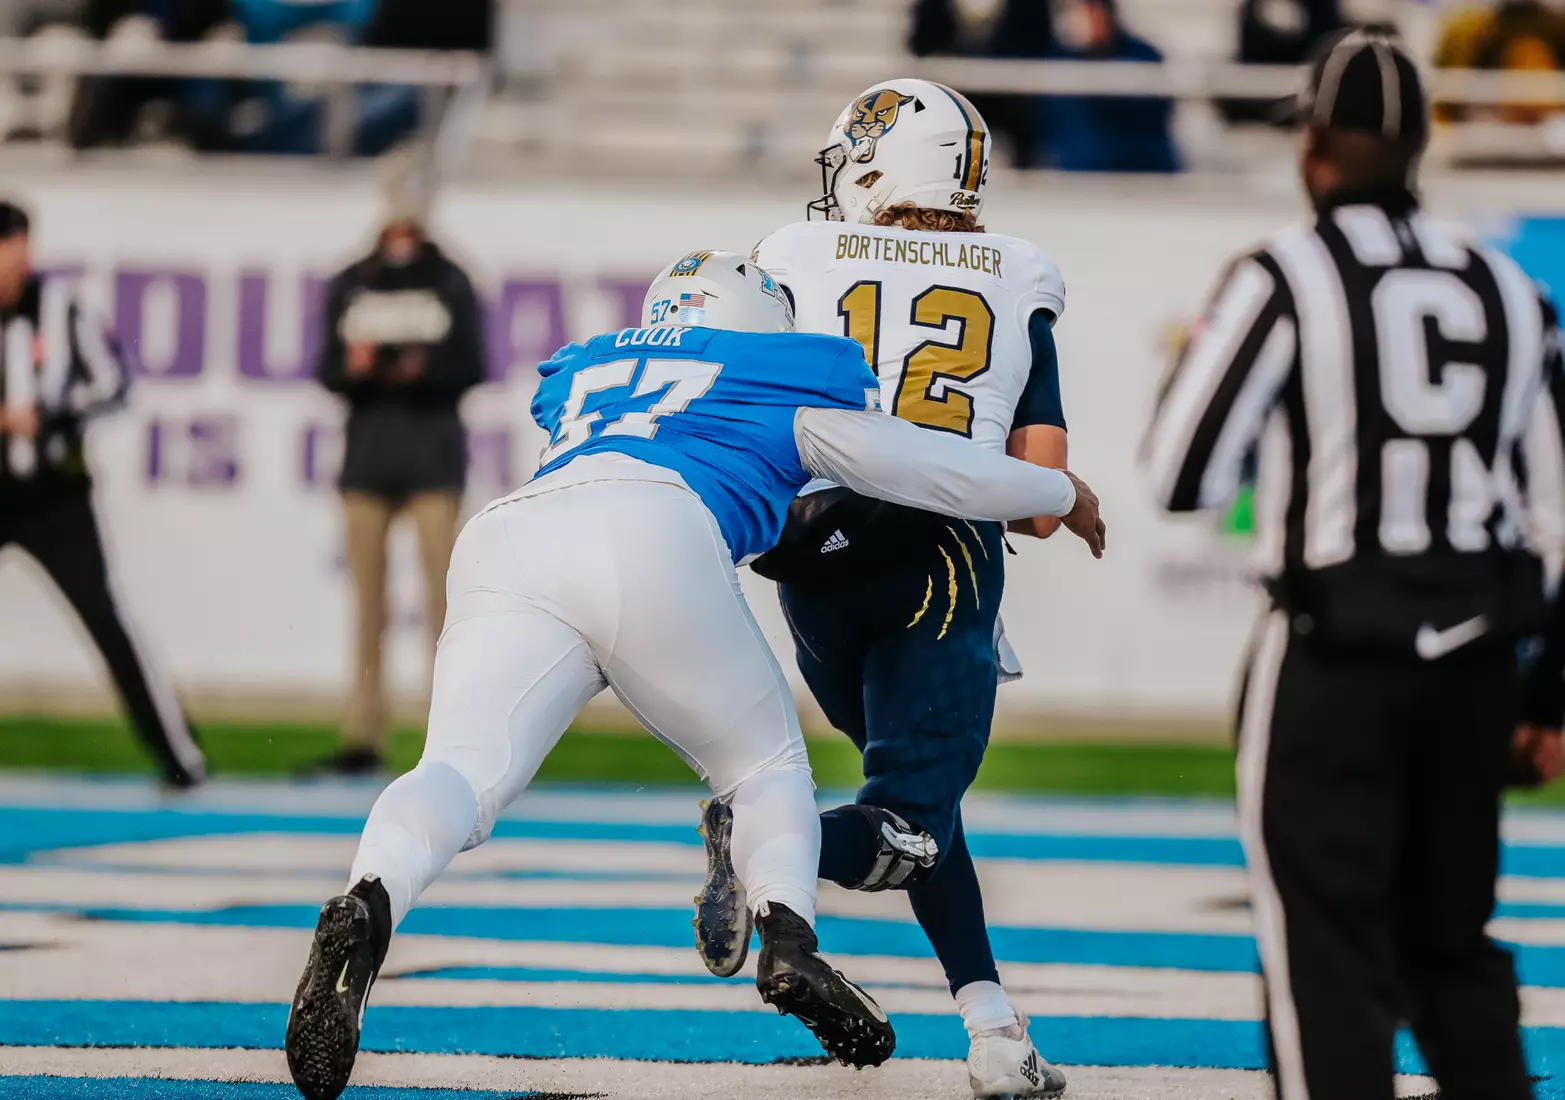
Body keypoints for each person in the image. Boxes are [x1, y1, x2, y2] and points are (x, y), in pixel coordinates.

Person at [282, 249, 1106, 1100]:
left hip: (513, 531)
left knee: (456, 771)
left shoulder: (597, 371)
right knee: (765, 771)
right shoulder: (773, 376)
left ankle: (369, 897)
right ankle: (787, 938)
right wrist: (1054, 490)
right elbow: (932, 468)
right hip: (655, 531)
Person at [1142, 29, 1563, 1100]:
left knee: (1322, 952)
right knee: (1451, 942)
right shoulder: (1508, 287)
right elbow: (1556, 516)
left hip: (1332, 652)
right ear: (1420, 143)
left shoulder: (1283, 275)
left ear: (1312, 147)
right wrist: (1545, 688)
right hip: (1476, 657)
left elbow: (1179, 471)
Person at [695, 79, 1076, 1100]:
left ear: (876, 163)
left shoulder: (791, 253)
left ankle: (993, 1026)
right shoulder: (1016, 271)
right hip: (936, 561)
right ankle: (767, 838)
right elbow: (1037, 497)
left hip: (808, 569)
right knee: (908, 825)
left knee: (919, 810)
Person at [0, 199, 205, 788]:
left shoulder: (62, 309)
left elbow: (115, 387)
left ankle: (180, 756)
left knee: (105, 617)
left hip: (53, 493)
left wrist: (47, 416)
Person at [306, 164, 486, 777]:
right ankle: (363, 733)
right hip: (369, 459)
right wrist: (359, 367)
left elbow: (471, 365)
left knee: (445, 608)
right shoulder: (354, 281)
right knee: (368, 609)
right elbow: (327, 370)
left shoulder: (450, 281)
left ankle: (452, 735)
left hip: (432, 458)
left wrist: (421, 370)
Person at [1036, 0, 1181, 174]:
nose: (1088, 18)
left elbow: (1157, 114)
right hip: (1079, 177)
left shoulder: (1143, 56)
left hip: (1141, 173)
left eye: (1094, 9)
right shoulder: (1057, 63)